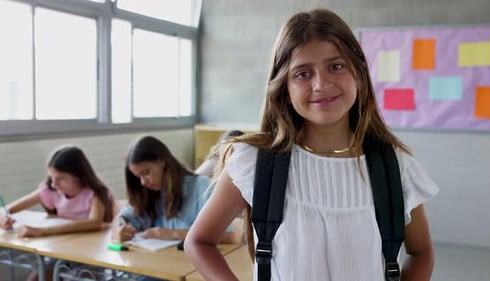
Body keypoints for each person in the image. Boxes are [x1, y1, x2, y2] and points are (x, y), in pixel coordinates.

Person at [184, 8, 439, 281]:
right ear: (284, 87)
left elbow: (420, 252)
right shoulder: (255, 162)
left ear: (359, 74)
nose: (321, 84)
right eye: (303, 74)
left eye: (336, 66)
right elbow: (199, 242)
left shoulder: (394, 167)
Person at [0, 145, 115, 281]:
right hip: (60, 254)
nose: (54, 184)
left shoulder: (95, 193)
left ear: (78, 176)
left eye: (60, 178)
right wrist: (3, 218)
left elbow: (94, 223)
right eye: (52, 177)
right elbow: (6, 209)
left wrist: (43, 231)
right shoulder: (50, 190)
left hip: (90, 257)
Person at [111, 135, 238, 244]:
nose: (143, 182)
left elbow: (227, 236)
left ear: (162, 161)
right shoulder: (147, 192)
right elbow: (122, 217)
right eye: (137, 177)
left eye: (146, 172)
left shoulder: (201, 187)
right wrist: (119, 228)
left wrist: (171, 234)